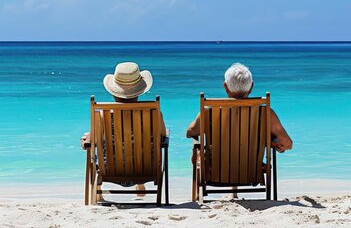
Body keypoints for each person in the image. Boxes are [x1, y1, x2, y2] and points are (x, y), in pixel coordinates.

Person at [81, 61, 166, 195]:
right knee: (143, 143)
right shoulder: (154, 114)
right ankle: (140, 184)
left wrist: (87, 137)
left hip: (110, 169)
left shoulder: (103, 115)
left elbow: (90, 142)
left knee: (93, 142)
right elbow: (162, 137)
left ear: (114, 92)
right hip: (144, 169)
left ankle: (98, 194)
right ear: (140, 92)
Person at [186, 62, 293, 152]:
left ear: (226, 87)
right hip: (253, 174)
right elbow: (287, 144)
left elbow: (190, 132)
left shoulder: (208, 112)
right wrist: (271, 142)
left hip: (216, 174)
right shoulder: (266, 114)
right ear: (251, 87)